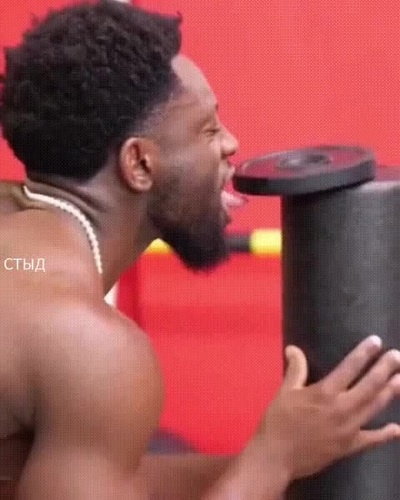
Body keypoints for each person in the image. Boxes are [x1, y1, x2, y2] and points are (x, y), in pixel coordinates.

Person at [1, 1, 400, 498]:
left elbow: (111, 480)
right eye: (209, 129)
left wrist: (286, 460)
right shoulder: (89, 347)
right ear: (139, 164)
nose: (231, 143)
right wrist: (273, 459)